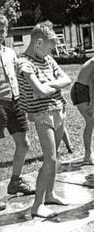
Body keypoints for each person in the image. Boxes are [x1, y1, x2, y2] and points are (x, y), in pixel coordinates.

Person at [17, 21, 72, 218]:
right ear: (39, 43)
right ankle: (37, 205)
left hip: (58, 110)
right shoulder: (24, 62)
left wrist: (48, 84)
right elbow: (39, 92)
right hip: (42, 114)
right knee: (50, 158)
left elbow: (67, 79)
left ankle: (49, 194)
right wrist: (52, 86)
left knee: (54, 156)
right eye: (50, 46)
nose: (52, 51)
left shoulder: (47, 59)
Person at [0, 15, 34, 212]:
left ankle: (15, 181)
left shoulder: (10, 52)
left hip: (15, 102)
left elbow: (18, 75)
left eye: (3, 30)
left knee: (24, 143)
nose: (0, 34)